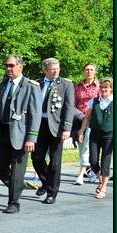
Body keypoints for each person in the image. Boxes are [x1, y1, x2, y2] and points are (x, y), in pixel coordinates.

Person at [0, 55, 40, 214]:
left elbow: (35, 114)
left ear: (20, 67)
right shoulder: (2, 84)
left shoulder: (31, 86)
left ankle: (13, 203)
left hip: (21, 134)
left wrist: (31, 138)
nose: (8, 69)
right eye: (6, 66)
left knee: (17, 170)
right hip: (2, 131)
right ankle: (17, 185)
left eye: (11, 65)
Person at [31, 58, 75, 204]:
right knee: (36, 158)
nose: (56, 71)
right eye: (52, 69)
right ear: (45, 70)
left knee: (55, 162)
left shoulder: (66, 84)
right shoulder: (37, 83)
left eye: (57, 68)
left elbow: (69, 107)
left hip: (57, 127)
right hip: (40, 125)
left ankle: (51, 193)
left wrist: (67, 128)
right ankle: (46, 182)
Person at [78, 78, 113, 199]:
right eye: (101, 87)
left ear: (111, 89)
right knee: (92, 161)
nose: (103, 89)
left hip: (109, 134)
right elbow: (87, 117)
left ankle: (103, 188)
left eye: (106, 87)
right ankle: (101, 180)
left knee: (105, 161)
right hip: (95, 133)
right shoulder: (94, 101)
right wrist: (81, 131)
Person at [72, 63, 100, 185]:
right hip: (79, 119)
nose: (89, 72)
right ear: (83, 71)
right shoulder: (77, 87)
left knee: (87, 147)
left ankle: (80, 175)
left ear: (95, 72)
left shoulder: (99, 87)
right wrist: (81, 116)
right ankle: (91, 168)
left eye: (91, 70)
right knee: (81, 147)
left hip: (93, 120)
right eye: (87, 70)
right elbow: (73, 104)